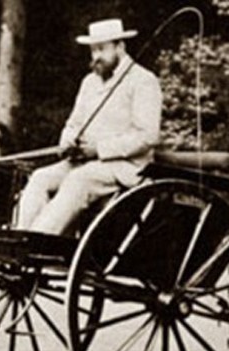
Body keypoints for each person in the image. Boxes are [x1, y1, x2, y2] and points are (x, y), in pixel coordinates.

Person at [17, 18, 162, 234]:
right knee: (40, 177)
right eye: (93, 50)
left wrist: (99, 150)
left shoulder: (143, 81)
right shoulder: (89, 82)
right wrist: (67, 142)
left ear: (120, 47)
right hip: (83, 162)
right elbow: (73, 124)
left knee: (79, 179)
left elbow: (148, 136)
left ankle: (36, 242)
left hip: (124, 167)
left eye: (102, 49)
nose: (96, 57)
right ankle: (18, 239)